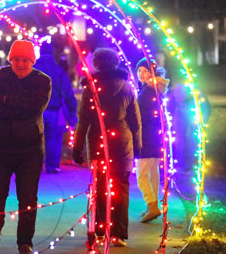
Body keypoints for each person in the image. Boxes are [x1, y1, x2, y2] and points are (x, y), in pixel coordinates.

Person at [0, 40, 51, 254]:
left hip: (29, 149)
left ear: (32, 61)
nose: (20, 64)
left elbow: (34, 109)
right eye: (17, 59)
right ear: (10, 59)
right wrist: (16, 104)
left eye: (25, 60)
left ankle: (24, 241)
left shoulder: (42, 81)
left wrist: (4, 101)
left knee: (28, 196)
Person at [72, 48, 141, 247]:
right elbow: (135, 120)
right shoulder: (127, 87)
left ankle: (101, 230)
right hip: (122, 141)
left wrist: (77, 148)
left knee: (101, 187)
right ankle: (119, 233)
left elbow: (83, 121)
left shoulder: (91, 89)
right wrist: (138, 145)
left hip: (99, 142)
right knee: (121, 187)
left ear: (96, 64)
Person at [34, 37, 77, 173]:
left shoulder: (33, 70)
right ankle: (52, 166)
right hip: (53, 110)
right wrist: (72, 112)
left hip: (36, 111)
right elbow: (68, 93)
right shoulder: (58, 71)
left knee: (35, 139)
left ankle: (35, 165)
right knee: (53, 138)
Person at [135, 57, 170, 222]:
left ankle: (152, 205)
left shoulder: (147, 92)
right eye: (139, 71)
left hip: (147, 137)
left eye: (144, 71)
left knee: (141, 174)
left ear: (151, 73)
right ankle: (153, 204)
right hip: (156, 136)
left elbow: (140, 116)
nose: (141, 74)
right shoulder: (156, 89)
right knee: (153, 172)